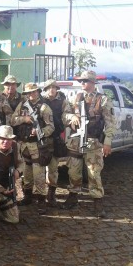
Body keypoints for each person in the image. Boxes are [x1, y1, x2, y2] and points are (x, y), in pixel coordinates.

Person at [62, 70, 116, 218]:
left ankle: (98, 201)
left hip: (93, 141)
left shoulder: (103, 100)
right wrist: (71, 116)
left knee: (93, 172)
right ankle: (73, 195)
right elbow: (64, 115)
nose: (82, 83)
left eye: (85, 81)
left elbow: (110, 122)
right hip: (76, 141)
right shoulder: (75, 98)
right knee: (73, 170)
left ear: (93, 83)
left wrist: (107, 142)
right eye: (81, 81)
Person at [10, 82, 54, 214]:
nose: (31, 94)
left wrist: (39, 132)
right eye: (29, 92)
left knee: (39, 174)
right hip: (24, 145)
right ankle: (27, 196)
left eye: (34, 92)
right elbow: (13, 120)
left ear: (38, 92)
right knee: (27, 173)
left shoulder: (44, 108)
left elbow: (51, 127)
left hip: (37, 145)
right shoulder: (22, 105)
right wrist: (24, 119)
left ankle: (41, 201)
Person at [42, 79, 72, 207]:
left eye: (54, 87)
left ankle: (51, 193)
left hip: (55, 139)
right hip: (41, 137)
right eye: (49, 88)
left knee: (53, 167)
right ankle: (37, 194)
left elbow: (67, 116)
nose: (52, 90)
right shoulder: (41, 101)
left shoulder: (63, 102)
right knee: (38, 167)